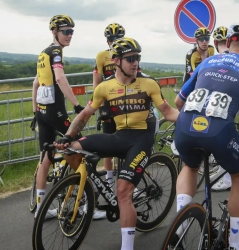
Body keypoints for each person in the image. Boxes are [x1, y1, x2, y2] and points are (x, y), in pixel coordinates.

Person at [54, 37, 179, 250]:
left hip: (141, 139)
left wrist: (193, 121)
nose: (135, 62)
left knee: (123, 192)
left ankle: (127, 247)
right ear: (116, 61)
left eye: (137, 58)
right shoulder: (105, 87)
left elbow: (168, 112)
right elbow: (85, 115)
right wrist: (67, 136)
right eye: (130, 58)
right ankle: (90, 191)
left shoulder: (148, 84)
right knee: (72, 151)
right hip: (119, 137)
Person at [173, 21, 239, 250]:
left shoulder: (208, 60)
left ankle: (178, 228)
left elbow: (178, 101)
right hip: (220, 132)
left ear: (228, 42)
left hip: (184, 127)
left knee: (190, 167)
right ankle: (233, 244)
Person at [32, 14, 85, 219]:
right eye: (66, 32)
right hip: (56, 111)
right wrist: (77, 105)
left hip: (43, 112)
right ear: (55, 32)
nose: (69, 35)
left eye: (72, 31)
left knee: (46, 156)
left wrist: (35, 110)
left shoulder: (42, 53)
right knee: (80, 147)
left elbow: (36, 83)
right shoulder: (55, 51)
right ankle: (82, 204)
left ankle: (41, 208)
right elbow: (61, 78)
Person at [93, 22, 125, 188]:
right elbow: (97, 84)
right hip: (108, 105)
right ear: (107, 41)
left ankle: (126, 181)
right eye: (111, 39)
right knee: (107, 146)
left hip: (124, 105)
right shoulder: (101, 56)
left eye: (118, 38)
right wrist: (100, 107)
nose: (114, 41)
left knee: (126, 144)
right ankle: (110, 180)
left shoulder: (128, 55)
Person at [210, 26, 233, 191]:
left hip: (226, 104)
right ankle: (222, 171)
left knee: (223, 140)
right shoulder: (222, 57)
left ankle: (227, 177)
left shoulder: (222, 58)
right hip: (222, 102)